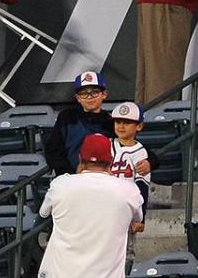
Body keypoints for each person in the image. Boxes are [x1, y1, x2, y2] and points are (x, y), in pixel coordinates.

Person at [38, 134, 144, 278]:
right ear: (111, 161)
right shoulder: (129, 191)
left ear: (80, 159)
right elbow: (138, 218)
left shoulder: (60, 185)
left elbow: (43, 213)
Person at [43, 71, 155, 177]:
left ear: (104, 94)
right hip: (69, 180)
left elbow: (134, 146)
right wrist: (70, 174)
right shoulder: (66, 117)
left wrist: (150, 162)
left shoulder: (111, 122)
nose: (89, 97)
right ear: (78, 98)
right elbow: (53, 151)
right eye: (84, 94)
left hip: (103, 180)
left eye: (94, 92)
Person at [107, 101, 151, 266]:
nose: (121, 126)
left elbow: (142, 188)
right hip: (105, 208)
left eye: (127, 122)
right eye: (118, 122)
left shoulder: (140, 152)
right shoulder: (107, 145)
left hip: (126, 210)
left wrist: (140, 217)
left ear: (139, 126)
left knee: (125, 254)